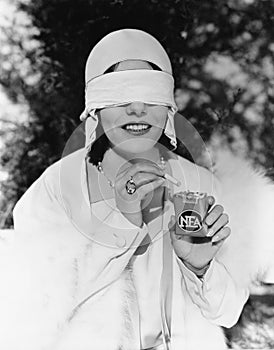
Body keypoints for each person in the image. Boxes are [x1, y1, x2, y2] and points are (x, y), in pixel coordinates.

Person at [1, 28, 274, 350]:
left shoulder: (198, 186)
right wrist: (123, 220)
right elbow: (36, 311)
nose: (137, 109)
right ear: (95, 109)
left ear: (168, 108)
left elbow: (226, 313)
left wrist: (200, 268)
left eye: (151, 95)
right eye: (120, 95)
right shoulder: (57, 186)